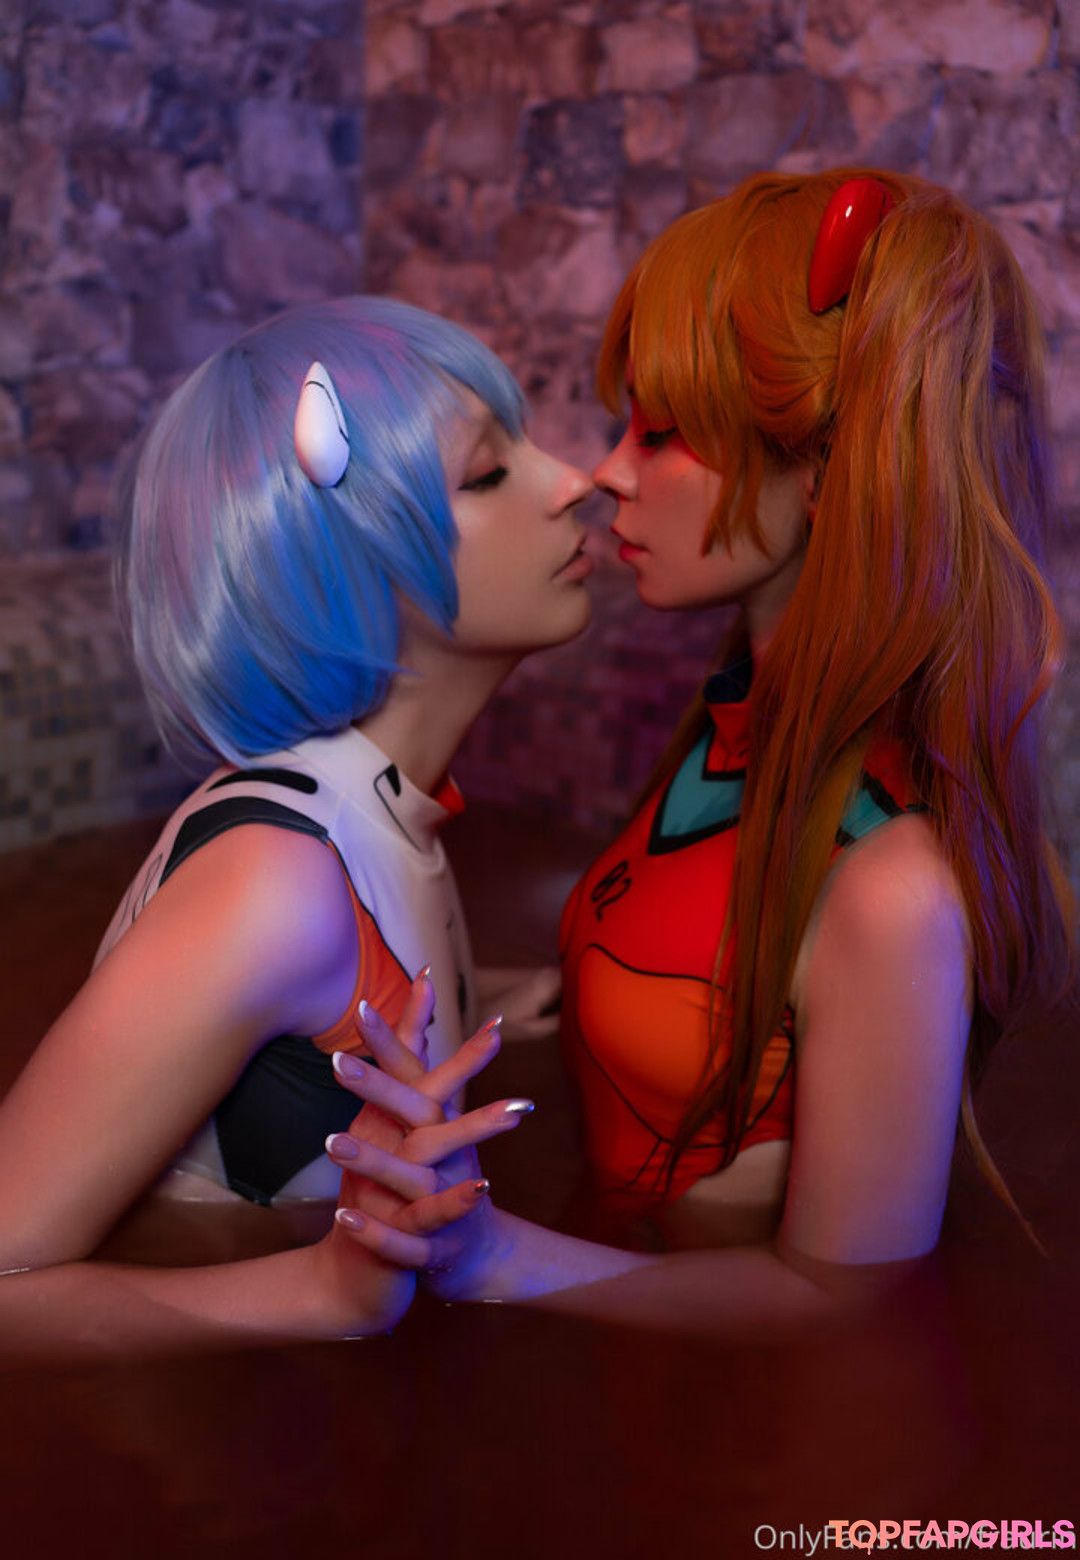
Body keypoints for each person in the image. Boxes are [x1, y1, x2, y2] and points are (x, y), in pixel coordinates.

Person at [328, 169, 1076, 1326]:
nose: (606, 472)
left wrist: (491, 1259)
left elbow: (844, 1298)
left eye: (665, 432)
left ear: (828, 469)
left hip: (728, 1405)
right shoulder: (726, 742)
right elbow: (687, 964)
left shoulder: (891, 890)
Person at [0, 296, 604, 1351]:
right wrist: (322, 1294)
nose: (575, 481)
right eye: (488, 472)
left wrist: (487, 999)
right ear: (344, 561)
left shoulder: (380, 811)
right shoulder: (275, 883)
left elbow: (326, 1006)